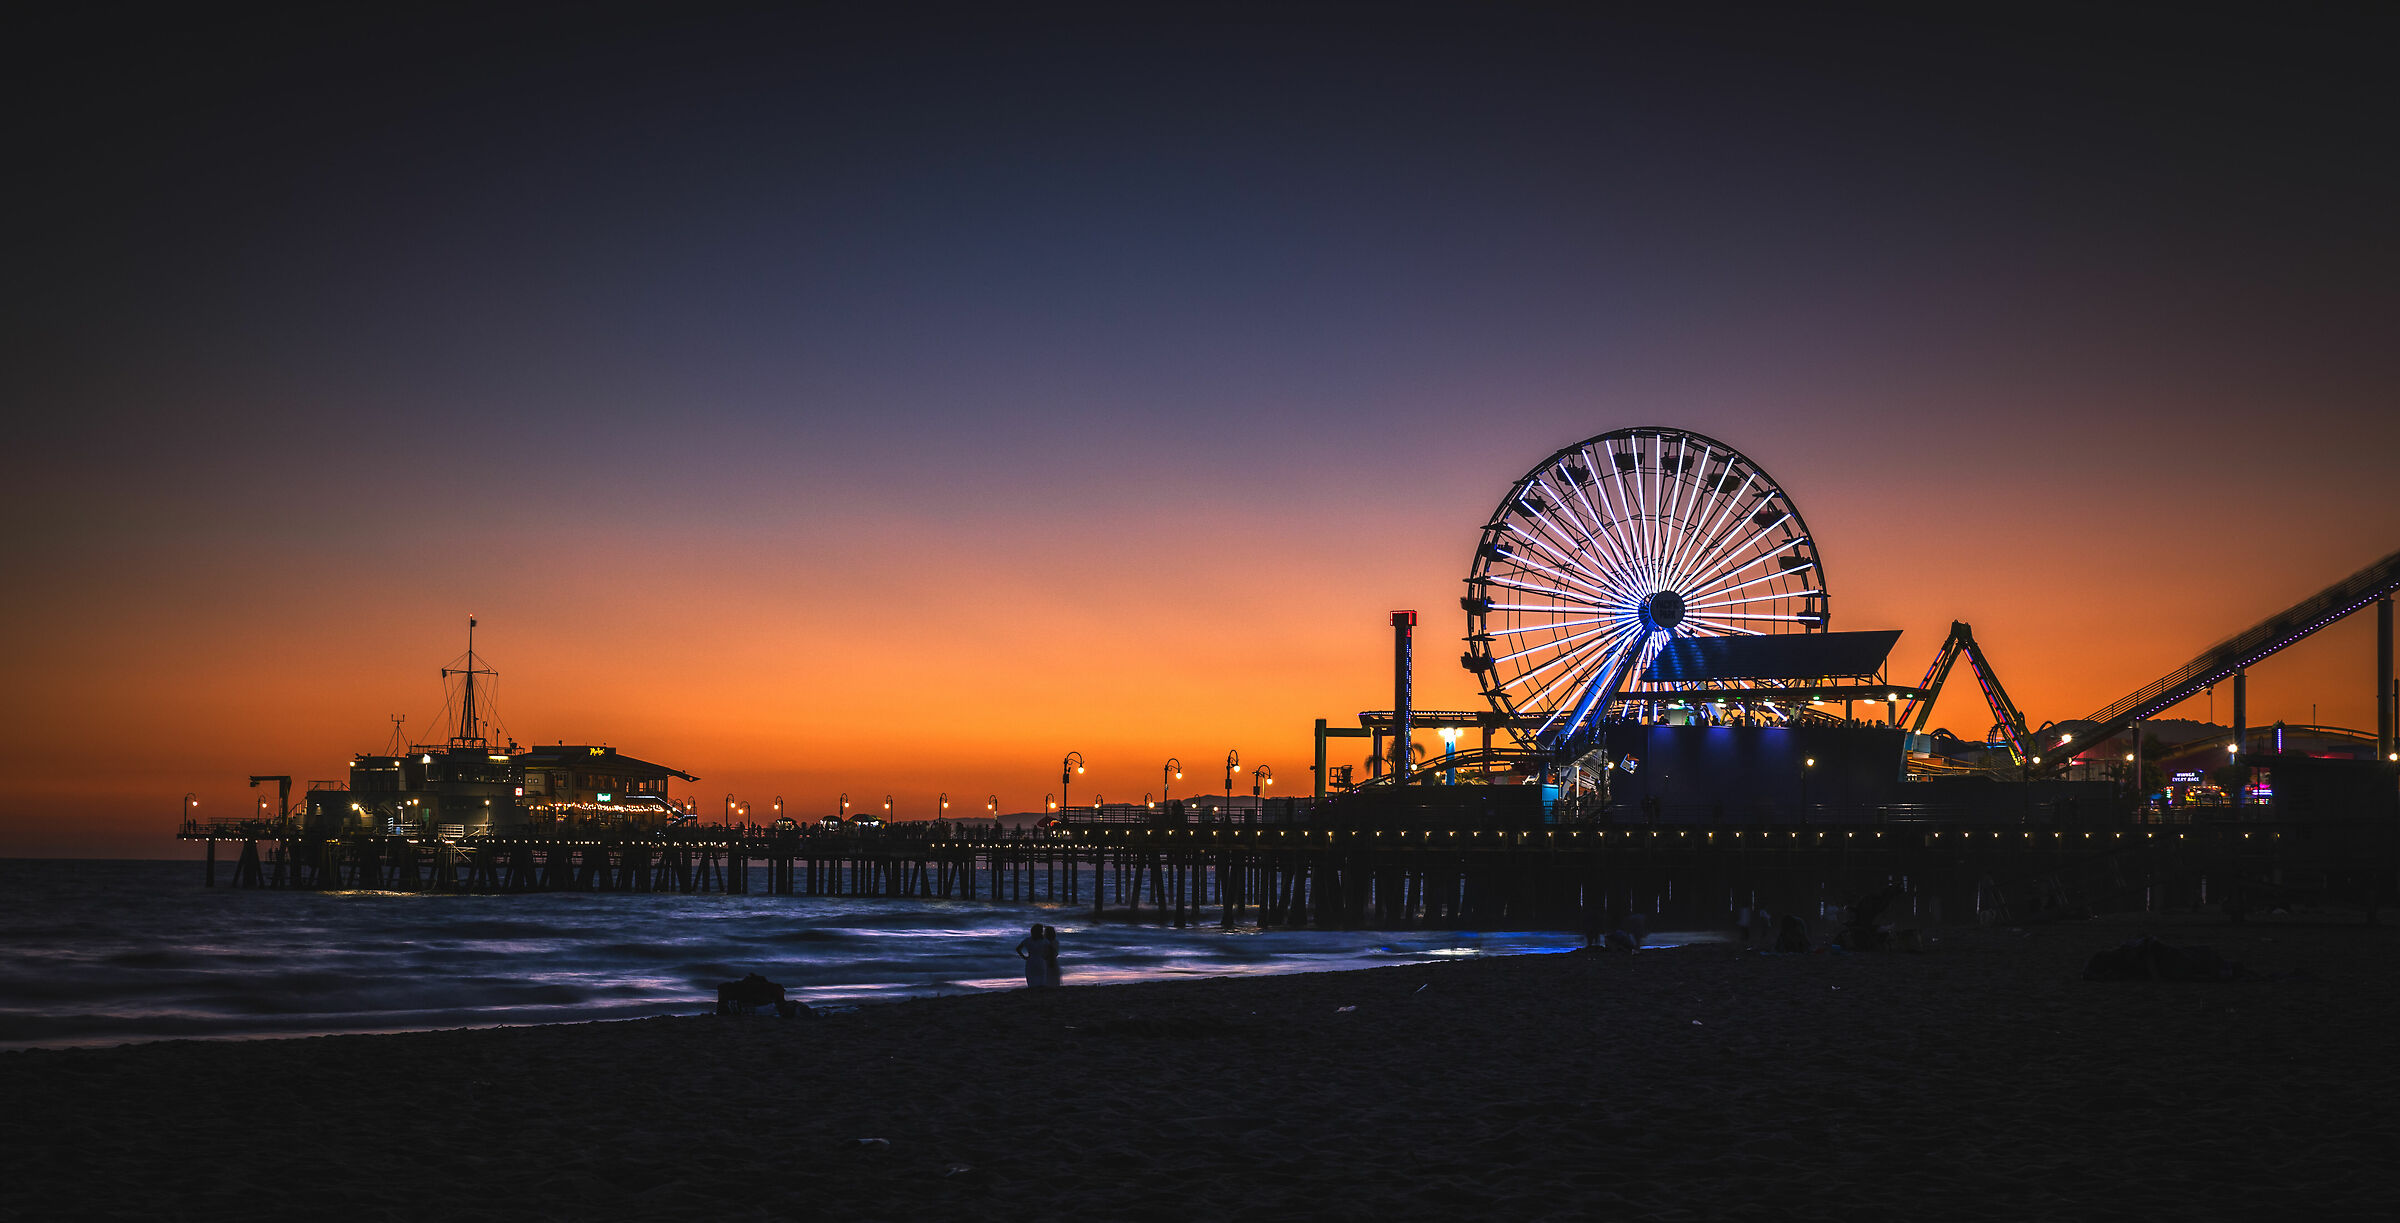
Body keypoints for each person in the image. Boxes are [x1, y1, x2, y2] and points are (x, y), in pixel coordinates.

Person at [1014, 924, 1047, 989]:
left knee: (1031, 978)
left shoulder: (1027, 940)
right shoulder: (1044, 940)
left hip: (1031, 960)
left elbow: (1018, 949)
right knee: (1041, 979)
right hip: (1041, 960)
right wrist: (1046, 956)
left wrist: (1024, 957)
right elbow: (1053, 951)